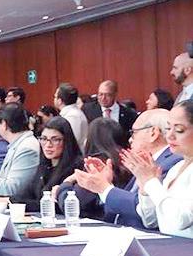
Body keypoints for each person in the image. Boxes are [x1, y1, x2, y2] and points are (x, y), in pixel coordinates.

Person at [72, 109, 181, 228]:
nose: (130, 139)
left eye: (134, 133)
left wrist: (105, 188)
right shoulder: (146, 162)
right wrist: (106, 183)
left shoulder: (172, 162)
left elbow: (145, 209)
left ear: (153, 133)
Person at [125, 101, 193, 238]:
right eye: (168, 128)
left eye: (179, 130)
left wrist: (152, 183)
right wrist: (145, 188)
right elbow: (151, 221)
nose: (169, 136)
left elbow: (180, 220)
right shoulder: (176, 168)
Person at [20, 117, 83, 207]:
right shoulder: (44, 165)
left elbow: (52, 205)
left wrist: (13, 202)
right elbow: (28, 194)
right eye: (44, 139)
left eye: (55, 139)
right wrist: (8, 200)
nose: (48, 145)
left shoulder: (76, 167)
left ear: (66, 141)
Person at [54, 82, 88, 149]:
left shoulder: (73, 116)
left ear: (60, 101)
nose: (54, 99)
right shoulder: (71, 113)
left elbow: (71, 142)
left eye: (55, 97)